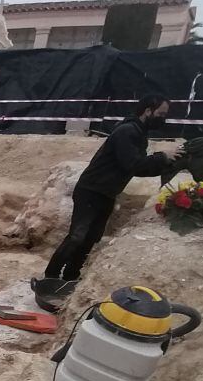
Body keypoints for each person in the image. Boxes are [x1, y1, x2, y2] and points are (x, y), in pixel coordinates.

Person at [42, 95, 177, 285]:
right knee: (77, 237)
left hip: (106, 193)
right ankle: (51, 277)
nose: (163, 118)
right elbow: (133, 164)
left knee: (92, 237)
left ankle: (71, 277)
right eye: (161, 114)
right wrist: (162, 156)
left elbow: (139, 169)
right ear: (148, 111)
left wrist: (167, 163)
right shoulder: (127, 132)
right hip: (91, 190)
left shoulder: (138, 134)